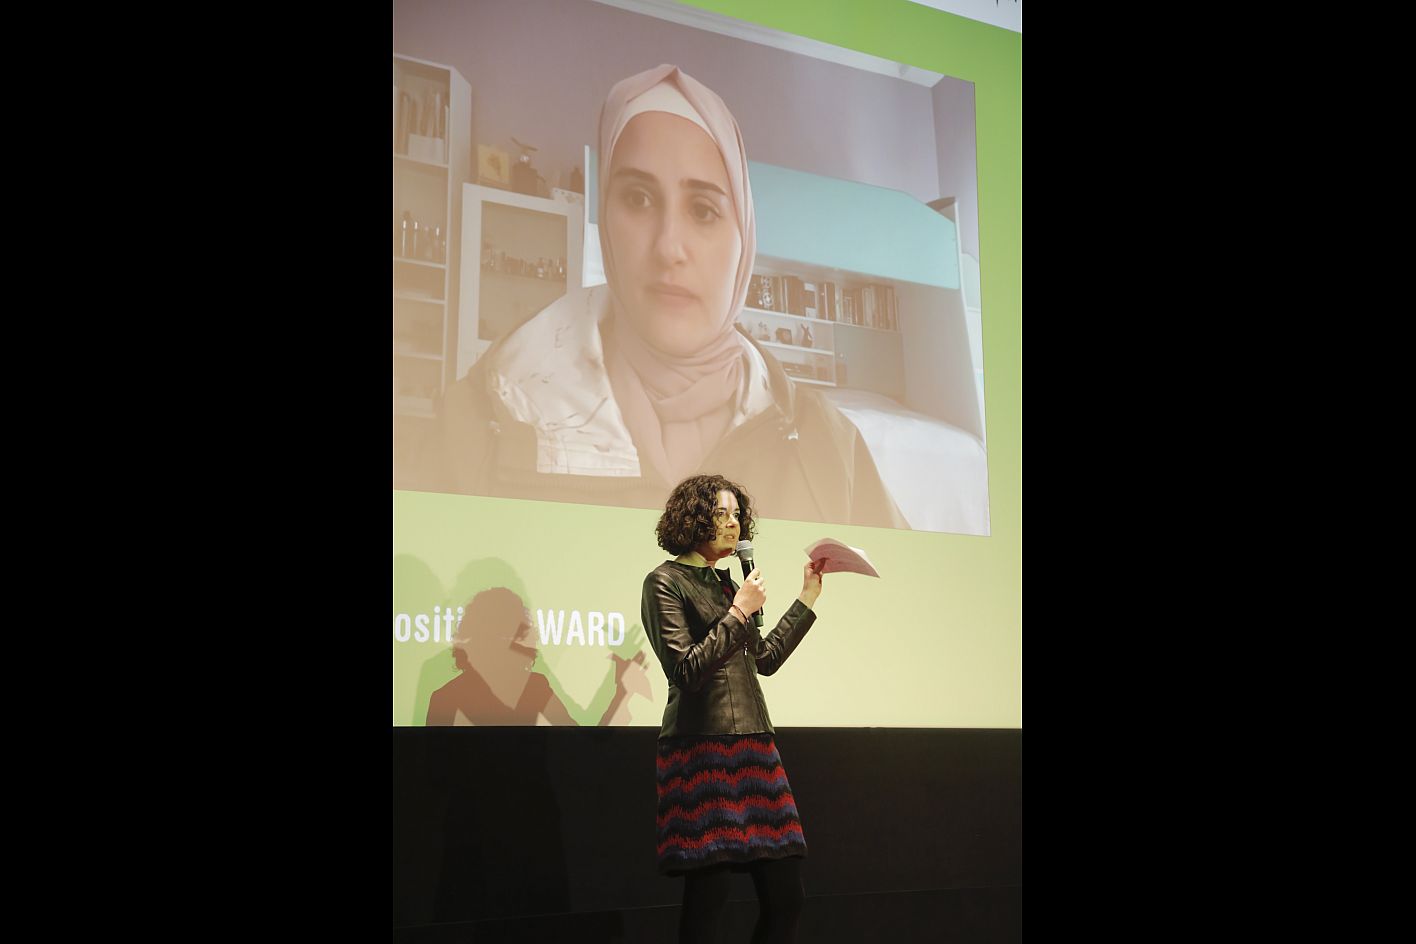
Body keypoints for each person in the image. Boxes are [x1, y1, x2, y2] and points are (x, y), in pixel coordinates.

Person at [430, 64, 907, 530]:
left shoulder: (829, 449)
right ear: (606, 219)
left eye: (703, 209)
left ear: (743, 237)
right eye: (638, 199)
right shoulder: (485, 418)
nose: (668, 247)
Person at [643, 474, 825, 943]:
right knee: (710, 896)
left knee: (786, 897)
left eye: (737, 514)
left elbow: (764, 659)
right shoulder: (665, 582)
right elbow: (686, 670)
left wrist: (807, 596)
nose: (733, 523)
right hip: (701, 747)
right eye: (720, 514)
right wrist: (739, 612)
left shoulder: (729, 586)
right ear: (692, 520)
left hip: (755, 747)